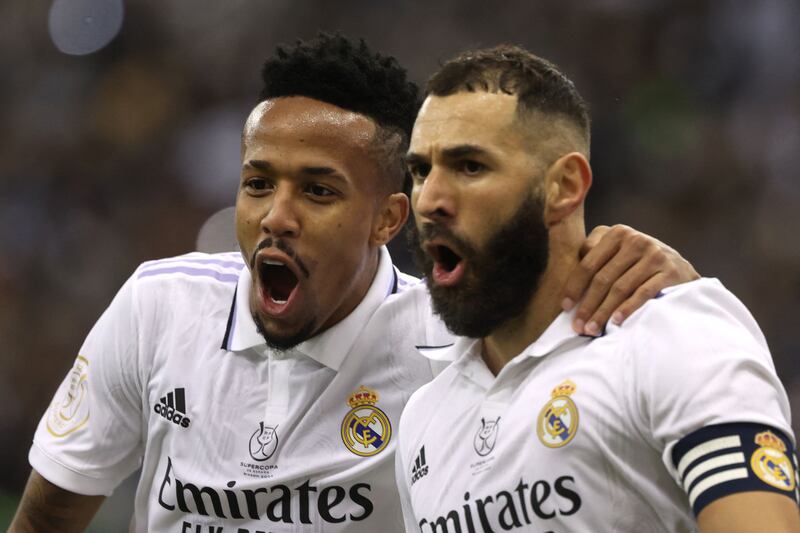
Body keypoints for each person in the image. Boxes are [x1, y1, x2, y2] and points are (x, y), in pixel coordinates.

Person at [9, 35, 699, 532]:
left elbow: (639, 363)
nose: (275, 216)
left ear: (388, 218)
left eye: (317, 190)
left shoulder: (450, 337)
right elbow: (45, 519)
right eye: (257, 184)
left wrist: (671, 282)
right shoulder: (158, 307)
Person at [396, 45, 800, 533]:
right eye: (421, 171)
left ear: (564, 186)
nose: (431, 199)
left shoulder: (673, 334)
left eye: (470, 167)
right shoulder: (424, 417)